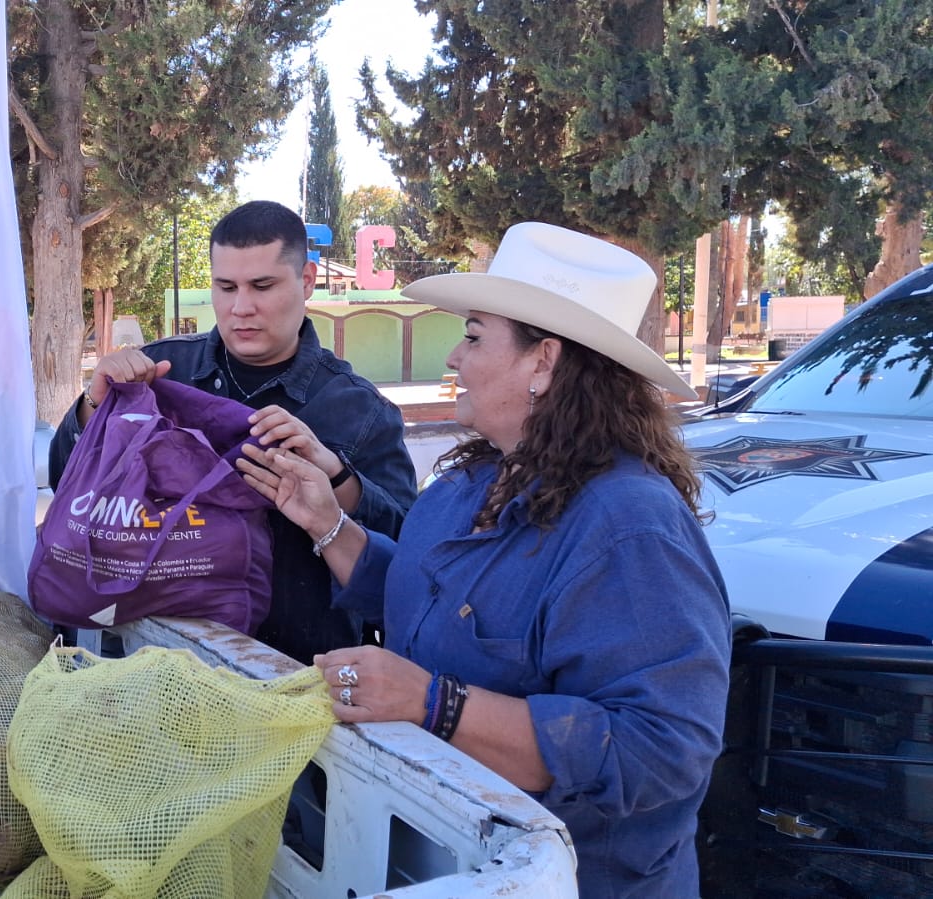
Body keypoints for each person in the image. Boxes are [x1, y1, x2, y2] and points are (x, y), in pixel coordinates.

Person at [239, 222, 731, 897]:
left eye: (473, 336)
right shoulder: (464, 485)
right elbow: (420, 598)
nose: (452, 358)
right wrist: (326, 523)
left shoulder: (630, 524)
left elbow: (660, 751)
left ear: (543, 363)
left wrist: (434, 703)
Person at [47, 200, 417, 664]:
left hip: (296, 678)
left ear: (305, 281)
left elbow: (407, 559)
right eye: (226, 287)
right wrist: (93, 406)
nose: (241, 307)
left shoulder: (360, 411)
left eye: (262, 286)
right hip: (151, 663)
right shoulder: (161, 374)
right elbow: (66, 484)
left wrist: (339, 481)